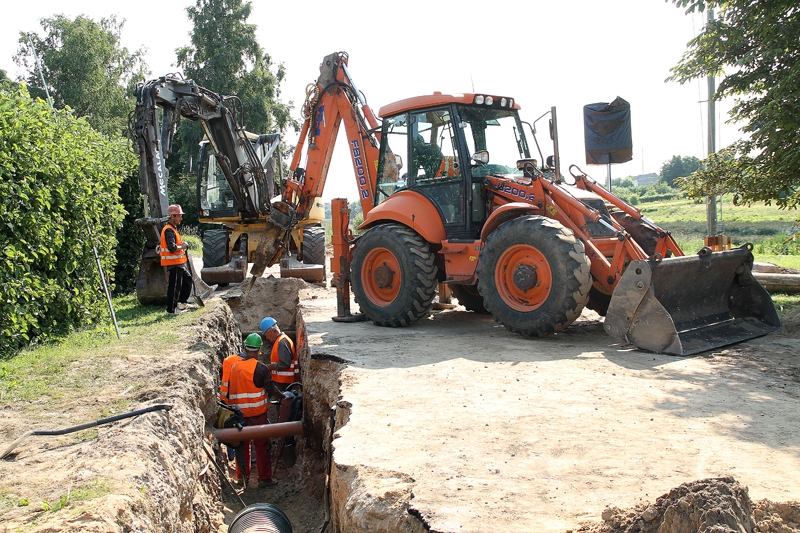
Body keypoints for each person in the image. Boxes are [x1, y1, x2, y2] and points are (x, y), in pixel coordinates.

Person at [226, 333, 283, 489]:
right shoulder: (261, 368)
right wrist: (283, 397)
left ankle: (241, 477)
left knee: (241, 446)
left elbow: (230, 390)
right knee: (261, 446)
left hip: (238, 416)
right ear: (259, 350)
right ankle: (264, 479)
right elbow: (270, 389)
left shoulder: (235, 367)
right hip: (257, 415)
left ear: (244, 348)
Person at [160, 204, 195, 314]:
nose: (181, 218)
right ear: (173, 216)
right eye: (179, 216)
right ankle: (171, 309)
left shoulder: (173, 229)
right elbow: (172, 248)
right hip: (173, 263)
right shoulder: (169, 230)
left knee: (187, 280)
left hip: (178, 263)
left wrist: (181, 244)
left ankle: (181, 303)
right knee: (175, 287)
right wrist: (182, 246)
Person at [259, 317, 299, 390]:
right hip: (283, 382)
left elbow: (285, 364)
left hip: (285, 383)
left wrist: (268, 367)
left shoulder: (282, 342)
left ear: (271, 332)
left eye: (265, 335)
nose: (267, 338)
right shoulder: (280, 341)